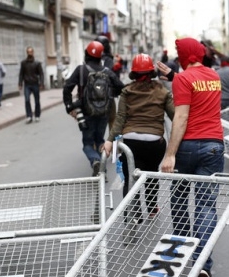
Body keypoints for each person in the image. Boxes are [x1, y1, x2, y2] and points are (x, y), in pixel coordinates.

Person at [160, 37, 224, 277]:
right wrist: (175, 77)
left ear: (183, 57)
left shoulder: (183, 80)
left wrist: (170, 154)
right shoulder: (214, 76)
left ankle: (184, 251)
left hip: (187, 147)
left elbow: (181, 118)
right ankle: (203, 263)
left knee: (179, 200)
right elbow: (195, 83)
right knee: (206, 205)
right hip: (214, 146)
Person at [102, 54, 174, 223]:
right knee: (151, 173)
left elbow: (120, 118)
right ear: (152, 72)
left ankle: (132, 212)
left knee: (129, 177)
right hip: (155, 143)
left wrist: (109, 140)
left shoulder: (126, 91)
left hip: (130, 142)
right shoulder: (163, 91)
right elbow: (175, 116)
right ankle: (151, 207)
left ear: (133, 73)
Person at [63, 41, 124, 176]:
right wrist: (109, 95)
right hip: (104, 112)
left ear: (86, 54)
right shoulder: (107, 72)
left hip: (86, 113)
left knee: (88, 144)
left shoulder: (80, 70)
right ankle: (101, 170)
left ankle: (95, 161)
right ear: (100, 56)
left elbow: (67, 87)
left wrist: (69, 107)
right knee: (100, 140)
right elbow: (121, 87)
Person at [18, 46, 44, 123]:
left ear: (33, 52)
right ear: (27, 53)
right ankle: (29, 116)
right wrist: (20, 83)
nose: (30, 53)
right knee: (27, 100)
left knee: (37, 101)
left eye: (31, 52)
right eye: (28, 52)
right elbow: (21, 74)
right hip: (27, 85)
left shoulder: (37, 63)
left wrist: (41, 83)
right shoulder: (23, 63)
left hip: (35, 84)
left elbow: (41, 74)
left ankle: (37, 115)